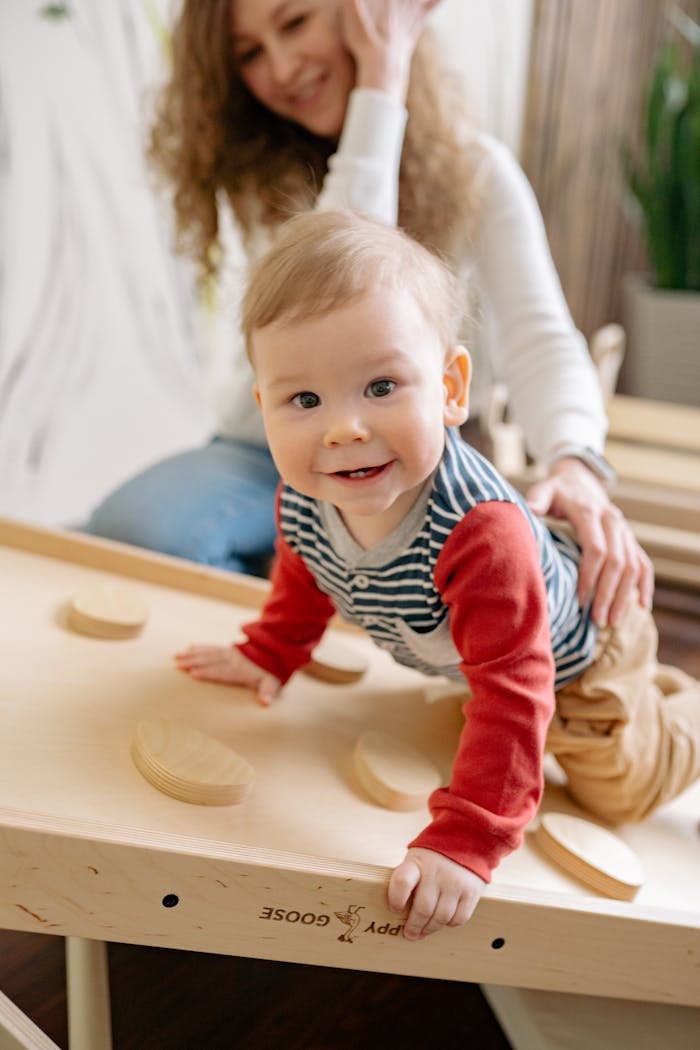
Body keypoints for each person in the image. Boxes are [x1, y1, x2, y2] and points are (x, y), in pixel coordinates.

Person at [176, 210, 700, 942]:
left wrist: (470, 840)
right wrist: (269, 652)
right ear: (263, 408)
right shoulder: (306, 494)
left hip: (584, 656)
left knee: (618, 789)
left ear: (453, 387)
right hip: (485, 649)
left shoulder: (479, 534)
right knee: (466, 725)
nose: (343, 428)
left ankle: (683, 719)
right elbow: (306, 576)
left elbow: (517, 690)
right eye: (304, 400)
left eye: (382, 386)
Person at [86, 0, 653, 627]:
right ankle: (305, 604)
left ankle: (332, 592)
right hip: (269, 455)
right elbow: (334, 282)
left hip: (404, 462)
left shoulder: (478, 173)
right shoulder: (266, 179)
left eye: (294, 23)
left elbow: (542, 337)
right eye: (249, 53)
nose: (279, 67)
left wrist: (576, 462)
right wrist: (381, 84)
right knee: (128, 529)